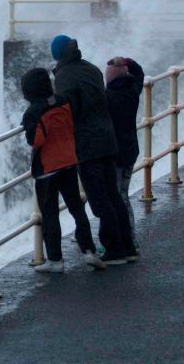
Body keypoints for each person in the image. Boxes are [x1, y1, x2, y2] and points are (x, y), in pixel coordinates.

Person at [50, 34, 136, 265]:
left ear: (57, 55)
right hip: (108, 139)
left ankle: (115, 251)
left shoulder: (65, 78)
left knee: (100, 200)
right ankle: (127, 247)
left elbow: (69, 112)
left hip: (88, 144)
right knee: (113, 195)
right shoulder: (92, 69)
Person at [20, 68, 103, 273]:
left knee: (50, 215)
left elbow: (35, 140)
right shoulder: (63, 101)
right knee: (76, 207)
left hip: (47, 169)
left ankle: (55, 260)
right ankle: (89, 250)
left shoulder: (33, 112)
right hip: (68, 162)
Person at [105, 56, 145, 250]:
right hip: (130, 151)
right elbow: (139, 73)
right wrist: (128, 61)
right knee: (123, 194)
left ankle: (121, 241)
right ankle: (130, 238)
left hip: (114, 154)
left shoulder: (108, 97)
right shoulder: (132, 90)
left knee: (115, 198)